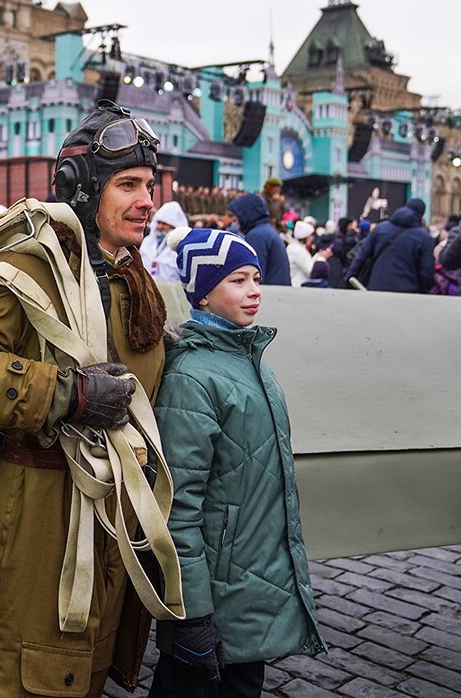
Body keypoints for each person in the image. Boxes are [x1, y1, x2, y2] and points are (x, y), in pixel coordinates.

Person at [0, 101, 167, 697]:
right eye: (128, 185)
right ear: (83, 191)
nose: (147, 199)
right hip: (36, 520)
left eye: (149, 185)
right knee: (24, 675)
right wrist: (69, 395)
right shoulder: (31, 268)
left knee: (87, 667)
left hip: (110, 521)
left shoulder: (132, 278)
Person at [149, 227, 324, 697]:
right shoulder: (193, 376)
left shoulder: (249, 358)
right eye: (237, 281)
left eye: (256, 278)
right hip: (216, 599)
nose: (254, 291)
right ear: (203, 295)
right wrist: (191, 616)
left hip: (246, 588)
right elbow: (176, 505)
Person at [345, 198, 435, 293]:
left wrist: (349, 279)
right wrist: (421, 291)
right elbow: (426, 272)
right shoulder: (424, 238)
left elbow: (361, 257)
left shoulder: (380, 229)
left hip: (376, 288)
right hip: (407, 292)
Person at [228, 192, 290, 286]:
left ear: (246, 214)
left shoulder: (257, 236)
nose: (234, 220)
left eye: (237, 216)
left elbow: (254, 277)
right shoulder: (267, 230)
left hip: (269, 296)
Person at [141, 200, 190, 282]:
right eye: (158, 223)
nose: (160, 227)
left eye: (164, 224)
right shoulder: (147, 242)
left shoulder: (182, 249)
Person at [286, 220, 316, 287]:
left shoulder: (293, 247)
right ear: (305, 237)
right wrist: (321, 258)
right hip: (299, 286)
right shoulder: (299, 251)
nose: (312, 238)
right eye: (310, 236)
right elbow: (310, 271)